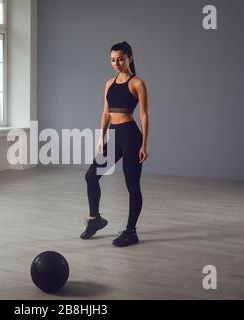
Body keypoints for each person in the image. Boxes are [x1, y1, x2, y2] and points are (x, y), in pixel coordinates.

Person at [81, 41, 149, 247]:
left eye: (120, 59)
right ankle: (95, 220)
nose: (116, 63)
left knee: (132, 185)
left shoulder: (137, 83)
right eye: (112, 60)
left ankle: (131, 231)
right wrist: (101, 136)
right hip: (115, 135)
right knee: (91, 175)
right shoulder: (109, 83)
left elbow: (144, 115)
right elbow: (105, 113)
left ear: (130, 58)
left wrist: (144, 144)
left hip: (131, 137)